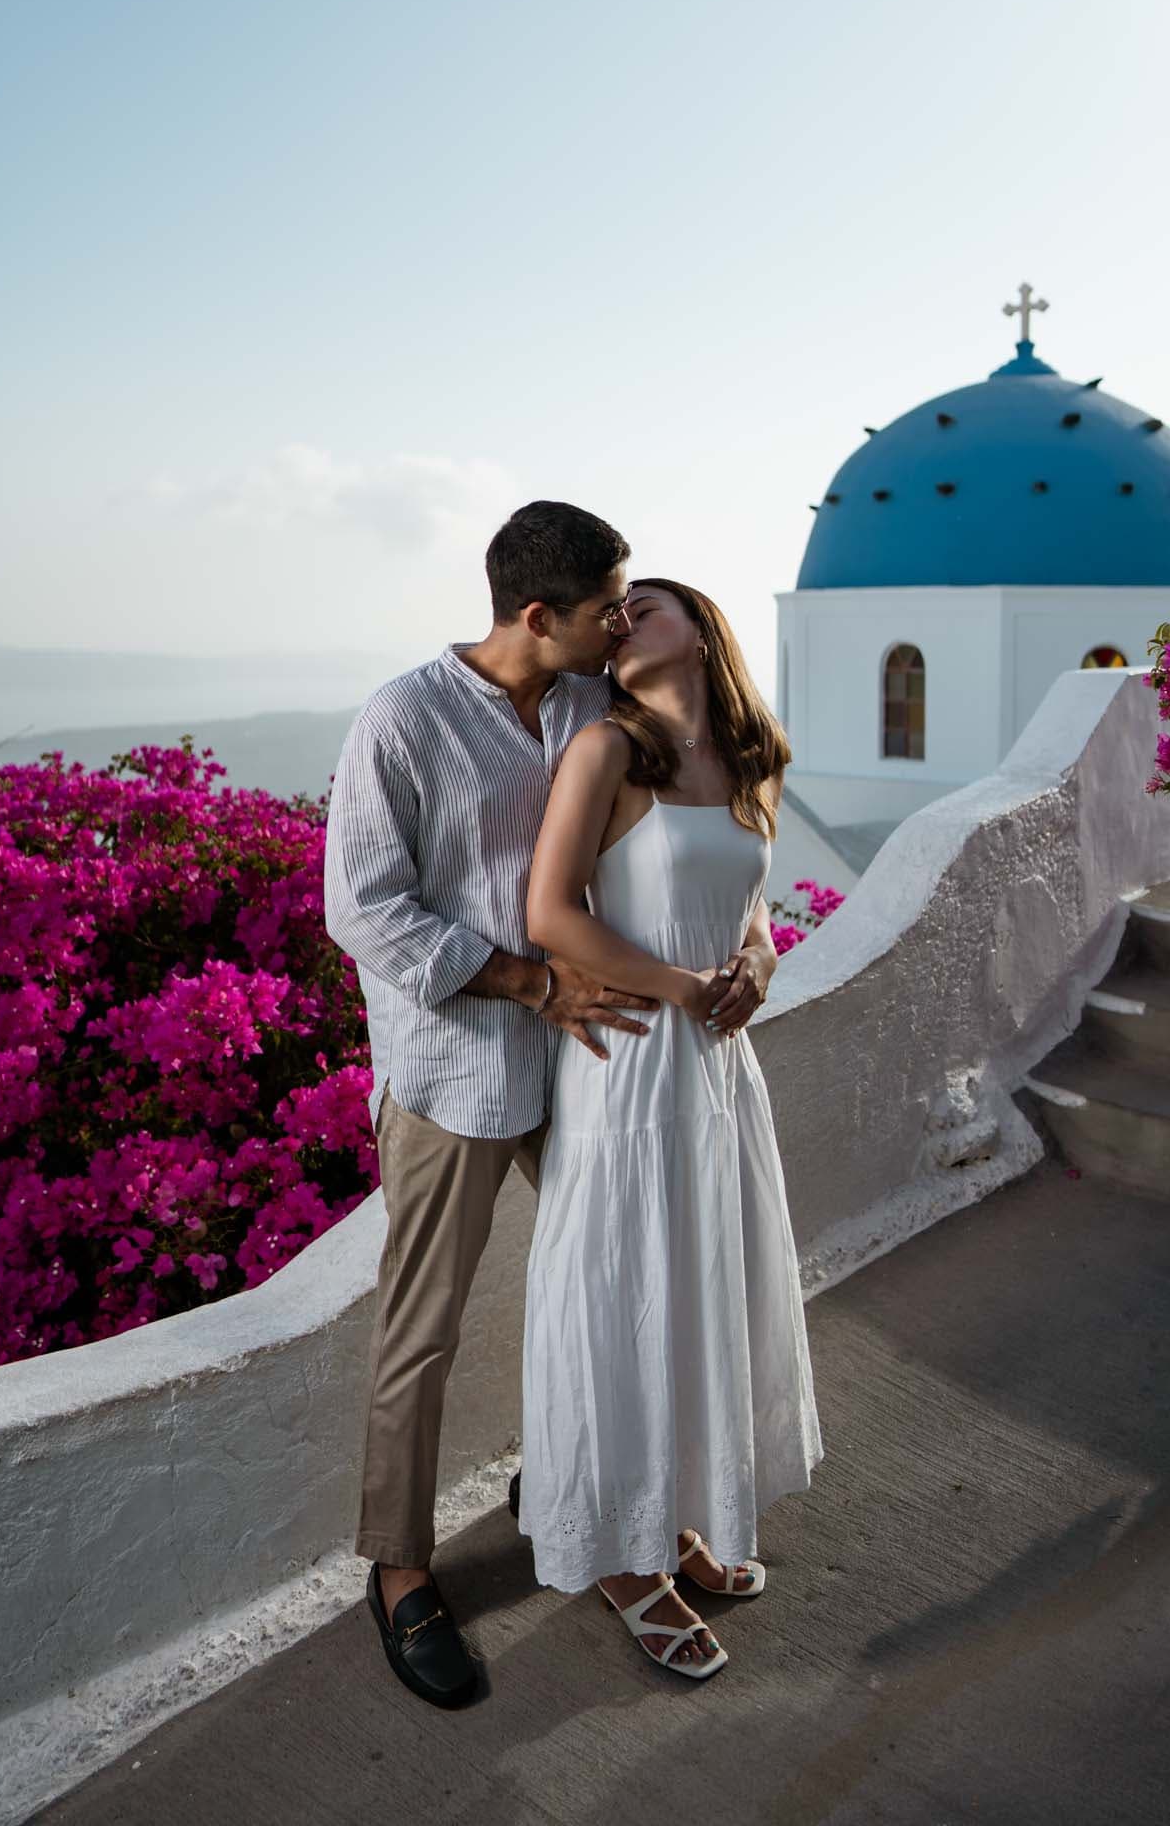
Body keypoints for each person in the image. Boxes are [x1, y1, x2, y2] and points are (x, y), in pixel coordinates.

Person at [324, 499, 662, 1709]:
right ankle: (402, 1567)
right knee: (423, 1332)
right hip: (455, 1073)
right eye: (607, 605)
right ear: (537, 616)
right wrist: (528, 981)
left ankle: (569, 1485)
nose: (624, 619)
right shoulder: (403, 720)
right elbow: (362, 907)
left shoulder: (588, 702)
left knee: (602, 1285)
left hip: (577, 1064)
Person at [519, 576, 824, 1679]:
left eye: (644, 604)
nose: (621, 619)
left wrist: (753, 962)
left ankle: (677, 1520)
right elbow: (549, 915)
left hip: (718, 1067)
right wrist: (684, 990)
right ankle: (617, 1554)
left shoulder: (756, 760)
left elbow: (754, 912)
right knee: (620, 1295)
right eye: (615, 610)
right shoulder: (605, 750)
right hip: (631, 1061)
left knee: (700, 1293)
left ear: (699, 629)